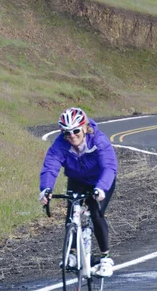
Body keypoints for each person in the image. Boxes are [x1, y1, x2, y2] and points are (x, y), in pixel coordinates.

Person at [39, 107, 118, 277]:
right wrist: (46, 189)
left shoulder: (98, 140)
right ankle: (73, 254)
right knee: (71, 212)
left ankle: (106, 258)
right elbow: (50, 167)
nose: (72, 136)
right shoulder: (60, 144)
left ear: (84, 127)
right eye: (67, 133)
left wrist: (101, 188)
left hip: (101, 180)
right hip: (77, 180)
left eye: (75, 131)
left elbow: (109, 167)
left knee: (96, 213)